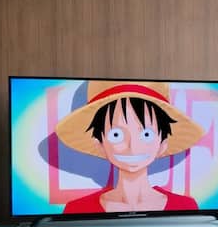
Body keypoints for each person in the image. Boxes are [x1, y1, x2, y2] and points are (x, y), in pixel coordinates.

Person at [55, 81, 204, 213]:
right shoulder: (77, 209)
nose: (133, 147)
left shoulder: (185, 207)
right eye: (116, 135)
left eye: (146, 134)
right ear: (100, 145)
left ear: (162, 144)